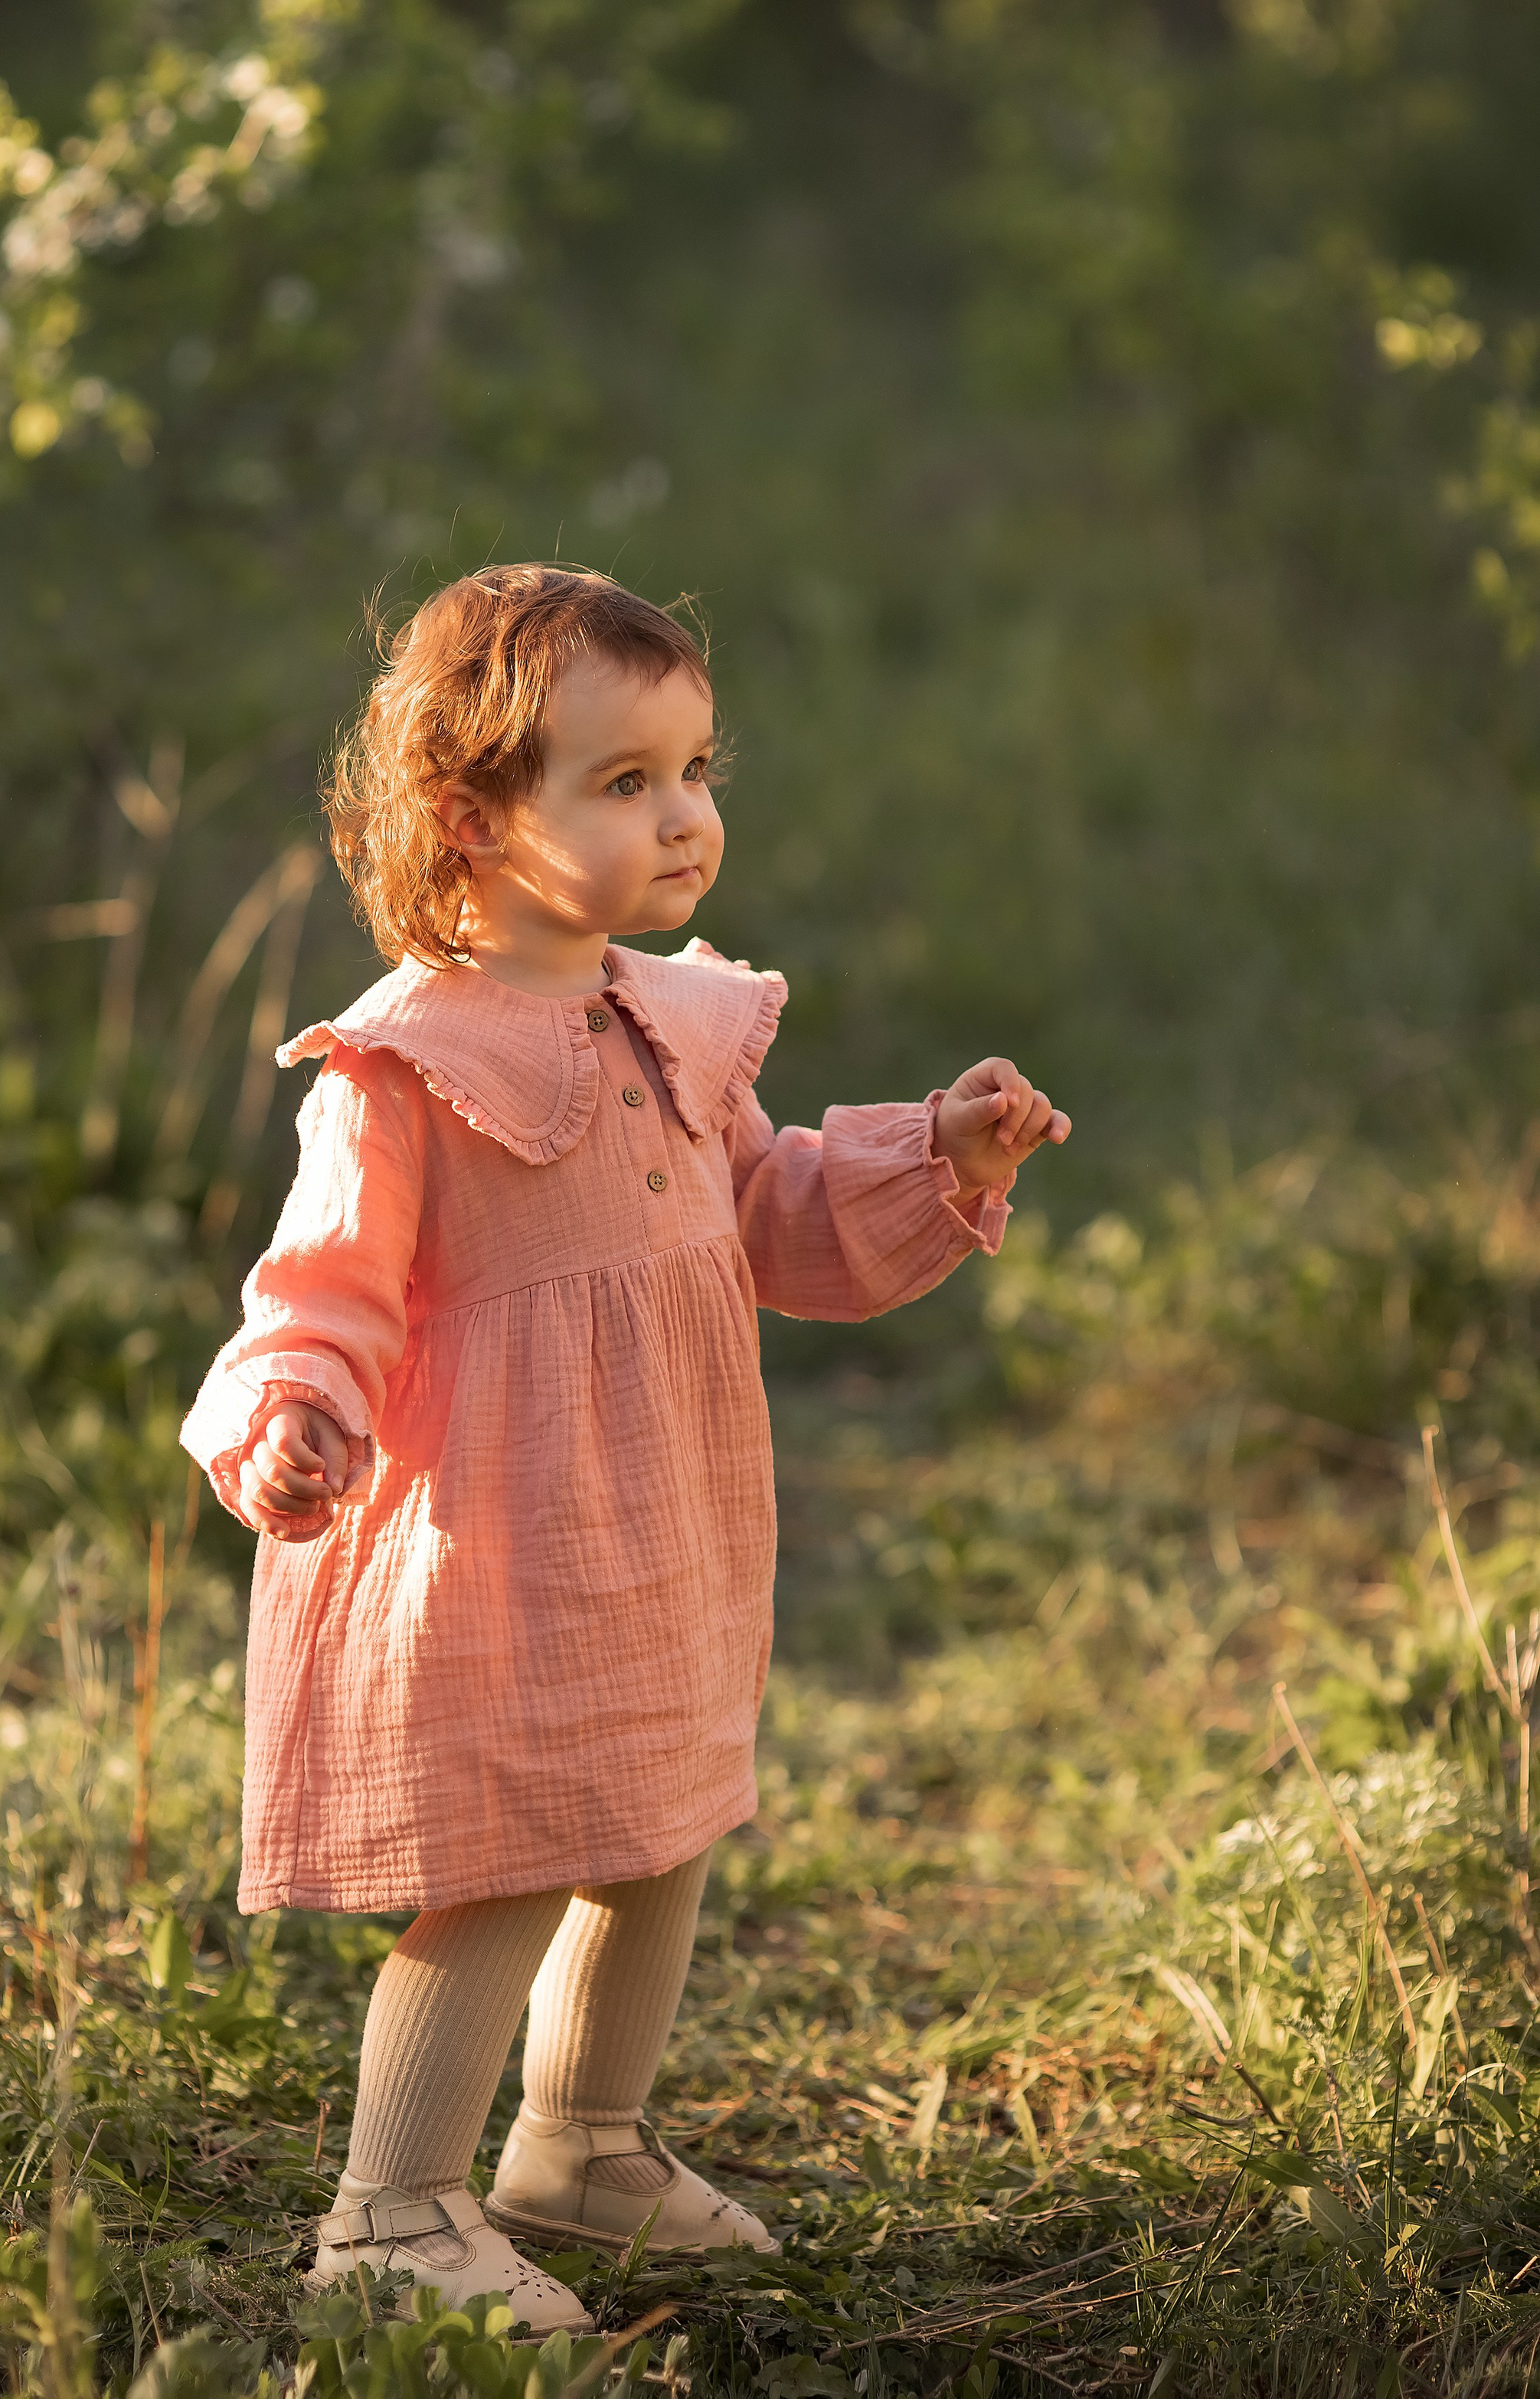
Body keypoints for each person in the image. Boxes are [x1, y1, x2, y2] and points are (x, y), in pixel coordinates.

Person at [181, 564, 1070, 2327]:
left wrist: (940, 1154)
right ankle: (390, 2216)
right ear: (470, 818)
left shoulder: (669, 1020)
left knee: (659, 1819)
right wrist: (293, 1411)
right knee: (512, 1853)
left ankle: (577, 2143)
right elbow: (320, 1285)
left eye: (691, 769)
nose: (683, 817)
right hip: (499, 1536)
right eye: (621, 781)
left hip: (658, 1512)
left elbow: (771, 1215)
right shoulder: (401, 1067)